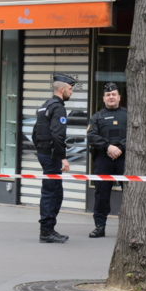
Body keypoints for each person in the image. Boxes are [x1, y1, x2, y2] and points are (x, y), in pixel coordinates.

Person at [34, 73, 76, 243]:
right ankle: (46, 231)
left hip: (45, 154)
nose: (72, 92)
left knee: (53, 191)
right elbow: (58, 136)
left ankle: (48, 229)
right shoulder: (58, 107)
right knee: (52, 193)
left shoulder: (44, 106)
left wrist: (41, 152)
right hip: (52, 156)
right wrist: (63, 158)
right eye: (70, 89)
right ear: (62, 89)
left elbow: (35, 133)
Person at [86, 82, 127, 238]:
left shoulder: (128, 115)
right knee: (102, 194)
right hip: (103, 158)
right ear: (103, 98)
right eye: (108, 95)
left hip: (124, 159)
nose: (111, 97)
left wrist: (120, 148)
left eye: (114, 94)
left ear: (119, 97)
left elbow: (135, 136)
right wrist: (108, 147)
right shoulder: (97, 117)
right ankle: (99, 226)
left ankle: (130, 228)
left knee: (130, 194)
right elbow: (91, 136)